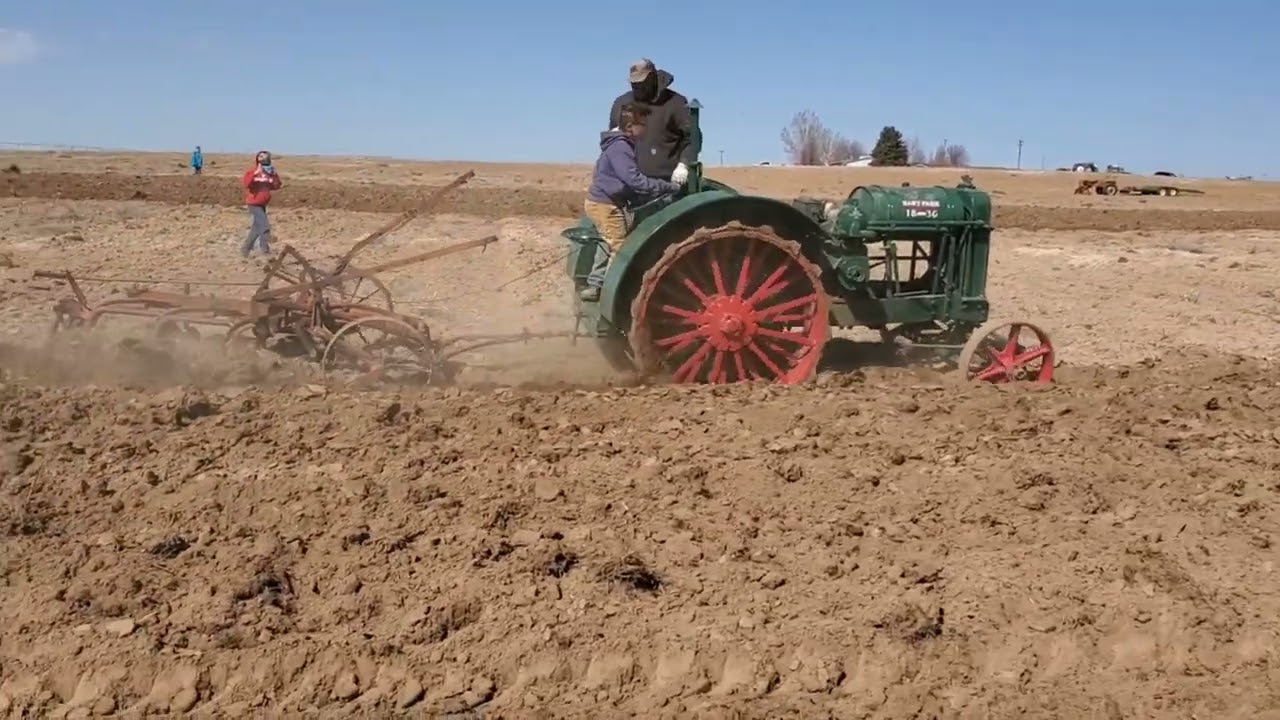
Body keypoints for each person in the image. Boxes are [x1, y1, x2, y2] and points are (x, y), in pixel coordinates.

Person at [580, 103, 683, 301]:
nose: (645, 129)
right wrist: (667, 187)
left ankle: (596, 285)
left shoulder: (617, 145)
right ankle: (610, 296)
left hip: (603, 202)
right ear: (630, 128)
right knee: (621, 249)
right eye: (643, 125)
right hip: (605, 205)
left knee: (608, 243)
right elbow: (634, 180)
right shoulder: (621, 148)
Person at [608, 58, 695, 185]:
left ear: (653, 78)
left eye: (642, 83)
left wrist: (684, 165)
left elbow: (692, 139)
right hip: (630, 182)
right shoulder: (622, 104)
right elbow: (612, 142)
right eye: (634, 84)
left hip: (668, 182)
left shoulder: (676, 103)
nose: (638, 88)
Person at [240, 151, 282, 258]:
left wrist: (274, 175)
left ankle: (245, 249)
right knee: (264, 225)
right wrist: (255, 173)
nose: (262, 157)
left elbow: (276, 186)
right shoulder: (252, 172)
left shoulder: (269, 173)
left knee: (256, 228)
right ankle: (265, 250)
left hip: (262, 204)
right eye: (260, 156)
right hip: (253, 203)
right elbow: (246, 184)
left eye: (265, 156)